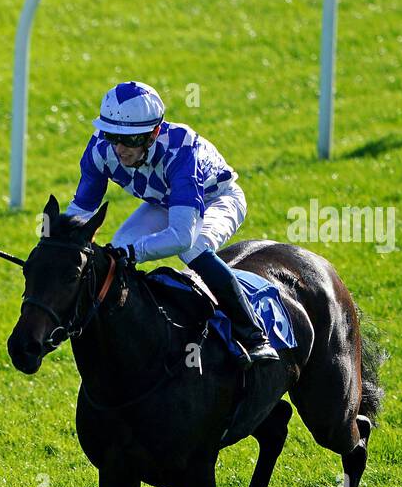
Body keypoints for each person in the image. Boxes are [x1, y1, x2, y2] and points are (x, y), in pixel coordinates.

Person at [66, 81, 278, 368]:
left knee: (193, 249)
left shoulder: (181, 150)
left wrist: (133, 252)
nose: (119, 148)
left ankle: (254, 336)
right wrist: (55, 244)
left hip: (217, 198)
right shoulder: (100, 149)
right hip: (165, 202)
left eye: (130, 140)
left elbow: (181, 236)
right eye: (112, 135)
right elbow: (80, 211)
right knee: (114, 250)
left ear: (153, 133)